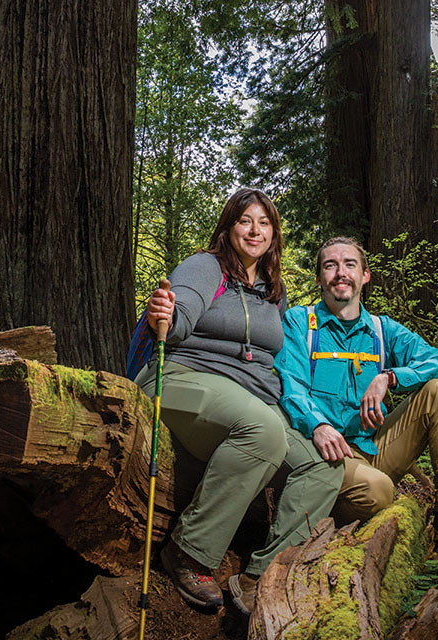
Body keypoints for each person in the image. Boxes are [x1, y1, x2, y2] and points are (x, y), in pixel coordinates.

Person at [227, 236, 438, 616]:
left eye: (349, 264)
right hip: (323, 453)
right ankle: (300, 539)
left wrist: (390, 376)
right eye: (330, 265)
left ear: (365, 276)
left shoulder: (381, 330)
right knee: (378, 492)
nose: (340, 273)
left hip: (375, 448)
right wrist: (319, 425)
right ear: (319, 278)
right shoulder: (300, 322)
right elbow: (289, 384)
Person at [135, 188, 289, 610]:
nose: (255, 230)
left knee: (316, 463)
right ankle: (189, 551)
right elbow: (181, 314)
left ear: (274, 233)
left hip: (249, 397)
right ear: (229, 227)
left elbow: (281, 358)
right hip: (184, 378)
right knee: (264, 432)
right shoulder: (206, 266)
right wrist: (166, 314)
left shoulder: (274, 291)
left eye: (264, 222)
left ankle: (268, 570)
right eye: (245, 221)